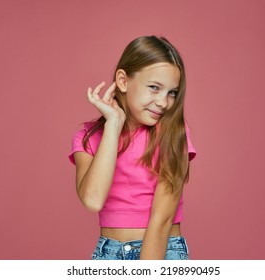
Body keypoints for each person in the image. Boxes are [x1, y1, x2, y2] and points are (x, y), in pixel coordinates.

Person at [68, 35, 196, 260]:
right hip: (109, 254)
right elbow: (93, 199)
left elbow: (162, 219)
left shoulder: (173, 132)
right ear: (123, 81)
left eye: (171, 93)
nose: (163, 102)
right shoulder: (87, 137)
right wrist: (113, 125)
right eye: (154, 88)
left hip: (162, 253)